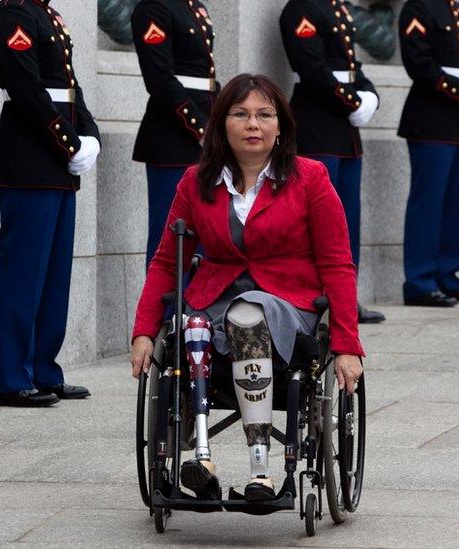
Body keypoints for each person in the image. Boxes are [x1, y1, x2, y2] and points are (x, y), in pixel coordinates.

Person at [130, 74, 365, 501]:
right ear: (222, 125)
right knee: (193, 324)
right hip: (213, 300)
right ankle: (199, 456)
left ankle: (262, 471)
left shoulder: (310, 178)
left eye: (264, 115)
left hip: (288, 305)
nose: (252, 124)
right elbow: (168, 260)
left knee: (249, 312)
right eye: (240, 114)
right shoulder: (195, 181)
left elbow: (337, 263)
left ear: (281, 126)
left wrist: (348, 344)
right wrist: (145, 331)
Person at [0, 0, 102, 407]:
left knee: (53, 276)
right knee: (23, 274)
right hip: (30, 158)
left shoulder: (47, 14)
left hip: (57, 162)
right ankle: (9, 377)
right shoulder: (11, 15)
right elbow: (27, 90)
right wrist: (69, 141)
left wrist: (90, 134)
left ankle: (43, 368)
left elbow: (69, 85)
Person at [279, 0, 385, 324]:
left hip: (344, 131)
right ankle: (313, 297)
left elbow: (352, 66)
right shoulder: (302, 9)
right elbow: (313, 70)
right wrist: (353, 101)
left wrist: (370, 95)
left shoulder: (338, 8)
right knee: (316, 220)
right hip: (318, 125)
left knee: (347, 219)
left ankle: (345, 298)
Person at [398, 0, 459, 308]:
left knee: (452, 203)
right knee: (428, 204)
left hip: (456, 123)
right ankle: (420, 281)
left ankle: (447, 275)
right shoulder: (418, 8)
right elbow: (419, 62)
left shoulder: (455, 8)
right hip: (430, 119)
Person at [131, 0, 220, 268]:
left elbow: (206, 78)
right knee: (171, 240)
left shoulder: (194, 7)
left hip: (206, 138)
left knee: (205, 239)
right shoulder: (154, 8)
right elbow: (159, 79)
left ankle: (197, 309)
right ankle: (166, 310)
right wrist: (200, 128)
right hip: (173, 138)